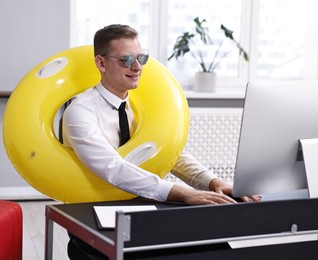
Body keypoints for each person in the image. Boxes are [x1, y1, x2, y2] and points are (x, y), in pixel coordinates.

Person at [62, 24, 260, 259]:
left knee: (216, 245)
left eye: (141, 58)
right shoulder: (80, 112)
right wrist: (179, 192)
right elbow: (111, 167)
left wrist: (211, 181)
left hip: (145, 203)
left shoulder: (139, 108)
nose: (137, 67)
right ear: (101, 63)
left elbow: (170, 153)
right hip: (96, 212)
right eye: (126, 59)